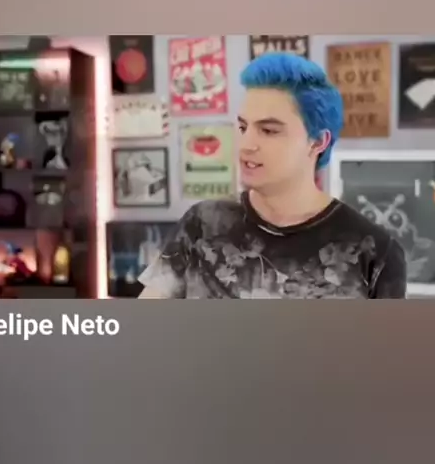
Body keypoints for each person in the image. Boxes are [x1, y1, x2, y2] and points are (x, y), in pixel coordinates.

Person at [138, 52, 407, 299]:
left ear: (317, 142)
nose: (246, 145)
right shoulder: (202, 224)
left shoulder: (376, 253)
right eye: (243, 128)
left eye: (268, 131)